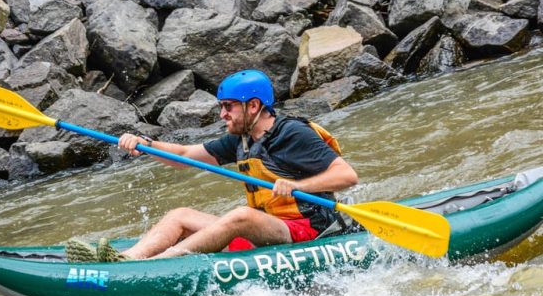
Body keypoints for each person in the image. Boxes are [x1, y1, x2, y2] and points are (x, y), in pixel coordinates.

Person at [66, 69, 358, 262]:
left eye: (228, 106)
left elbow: (346, 175)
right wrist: (144, 144)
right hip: (269, 229)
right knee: (180, 215)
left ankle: (159, 264)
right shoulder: (241, 140)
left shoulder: (292, 133)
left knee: (241, 215)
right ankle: (127, 259)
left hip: (309, 231)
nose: (222, 115)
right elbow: (184, 156)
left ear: (253, 106)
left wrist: (297, 186)